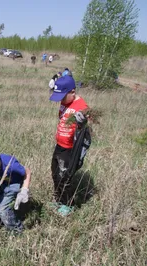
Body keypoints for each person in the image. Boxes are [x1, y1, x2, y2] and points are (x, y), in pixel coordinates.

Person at [48, 75, 89, 216]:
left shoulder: (81, 106)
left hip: (70, 148)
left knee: (65, 176)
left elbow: (86, 128)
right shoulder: (65, 103)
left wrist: (82, 122)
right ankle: (58, 199)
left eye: (62, 96)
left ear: (72, 92)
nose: (60, 99)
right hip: (59, 144)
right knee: (55, 172)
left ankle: (68, 204)